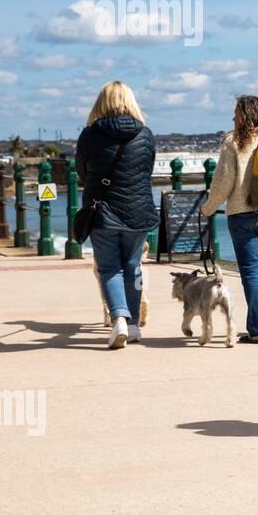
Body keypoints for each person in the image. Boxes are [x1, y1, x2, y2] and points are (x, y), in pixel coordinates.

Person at [201, 95, 258, 344]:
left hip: (241, 214)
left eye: (236, 112)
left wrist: (208, 208)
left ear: (245, 115)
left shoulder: (233, 142)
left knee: (251, 273)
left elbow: (224, 181)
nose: (233, 117)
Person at [76, 81, 159, 349]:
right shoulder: (145, 134)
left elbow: (82, 171)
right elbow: (147, 170)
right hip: (139, 211)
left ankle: (119, 320)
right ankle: (133, 325)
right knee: (133, 266)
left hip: (103, 212)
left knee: (109, 267)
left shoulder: (90, 135)